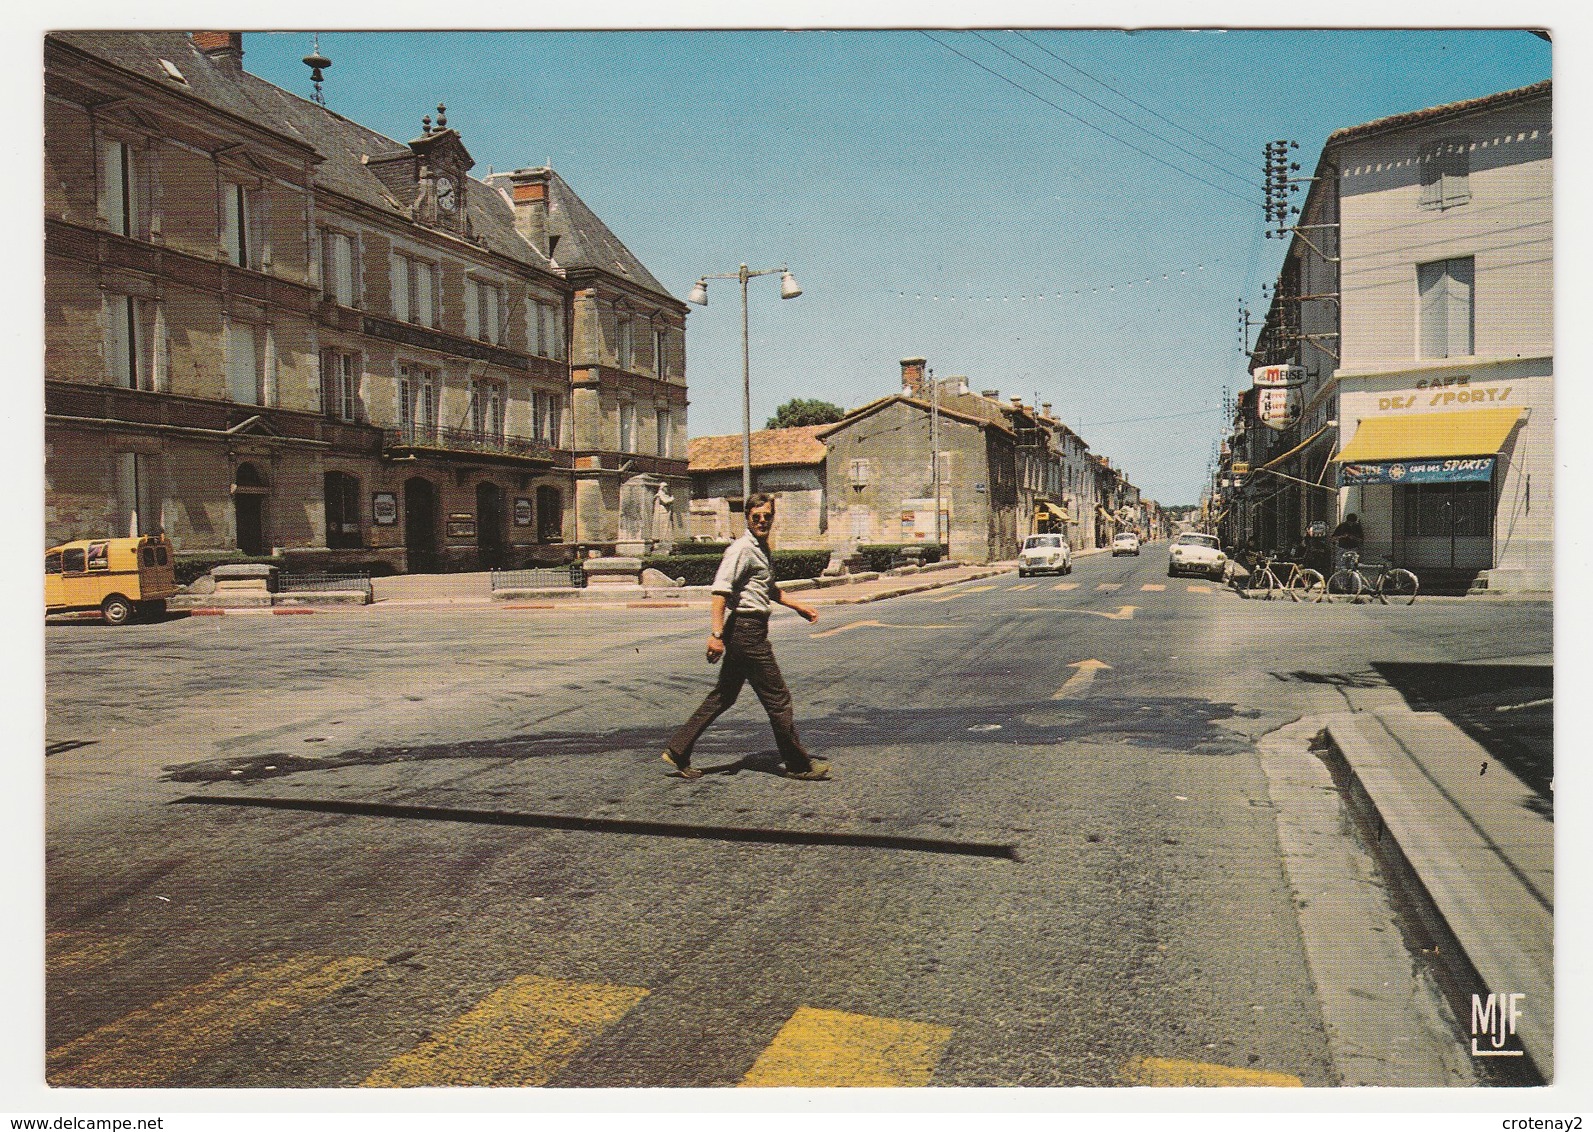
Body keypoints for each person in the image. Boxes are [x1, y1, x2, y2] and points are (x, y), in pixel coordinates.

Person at [660, 493, 830, 781]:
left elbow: (768, 589)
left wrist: (799, 606)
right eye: (756, 517)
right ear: (747, 518)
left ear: (773, 516)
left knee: (723, 696)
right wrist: (716, 635)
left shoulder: (760, 549)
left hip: (748, 629)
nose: (762, 521)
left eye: (767, 516)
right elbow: (720, 592)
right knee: (778, 698)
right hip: (746, 631)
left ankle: (678, 750)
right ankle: (798, 764)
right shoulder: (742, 549)